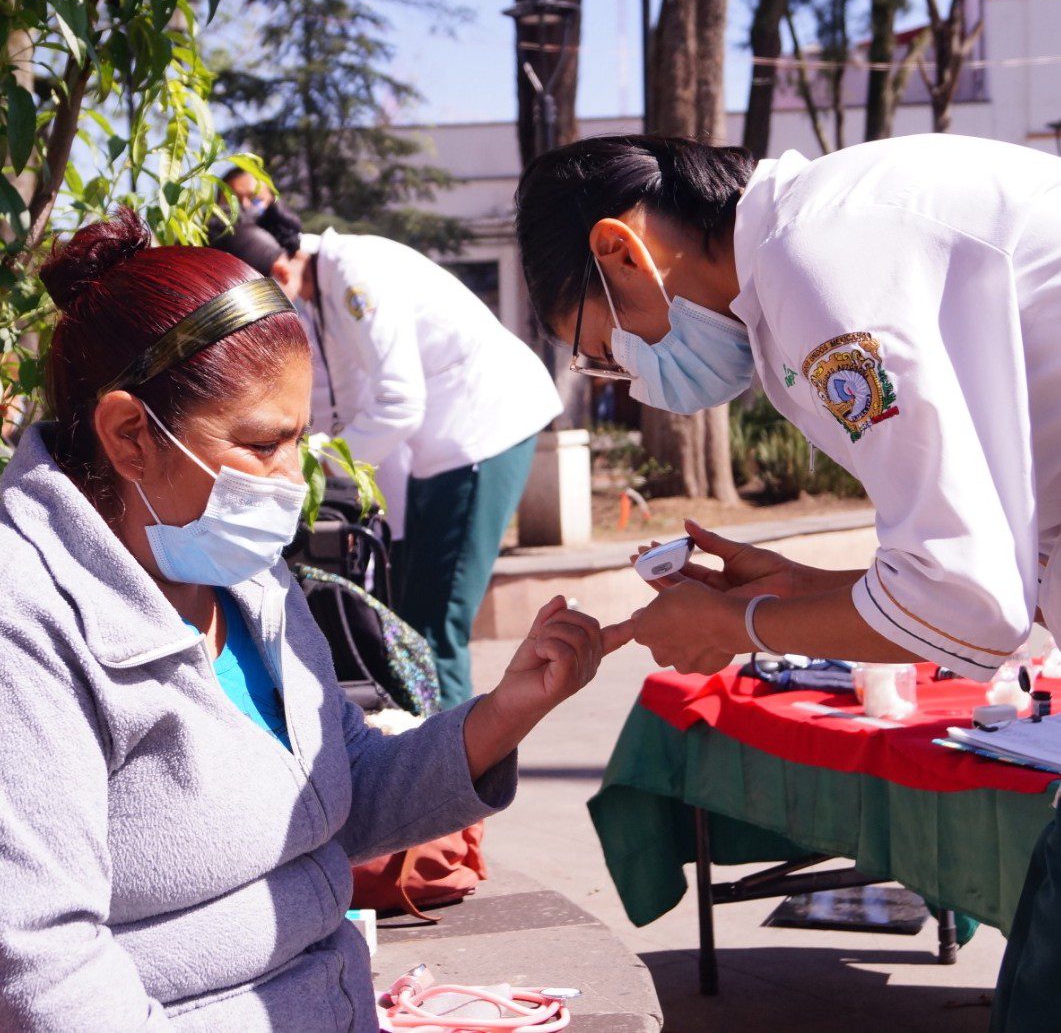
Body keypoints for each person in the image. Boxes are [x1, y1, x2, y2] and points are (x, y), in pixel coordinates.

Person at [0, 208, 629, 1030]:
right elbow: (44, 969)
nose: (289, 482)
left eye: (300, 440)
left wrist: (505, 712)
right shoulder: (28, 625)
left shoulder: (246, 579)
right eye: (263, 445)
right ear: (128, 435)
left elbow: (332, 793)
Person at [514, 132, 1061, 1029]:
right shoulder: (819, 240)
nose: (633, 382)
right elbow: (982, 565)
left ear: (620, 248)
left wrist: (744, 627)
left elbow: (965, 603)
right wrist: (802, 583)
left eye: (607, 350)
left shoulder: (817, 260)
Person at [213, 196, 563, 708]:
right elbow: (348, 405)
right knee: (412, 621)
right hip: (439, 450)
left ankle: (455, 775)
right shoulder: (321, 286)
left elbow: (398, 404)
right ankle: (432, 758)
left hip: (481, 433)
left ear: (281, 271)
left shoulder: (356, 276)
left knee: (436, 627)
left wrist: (308, 466)